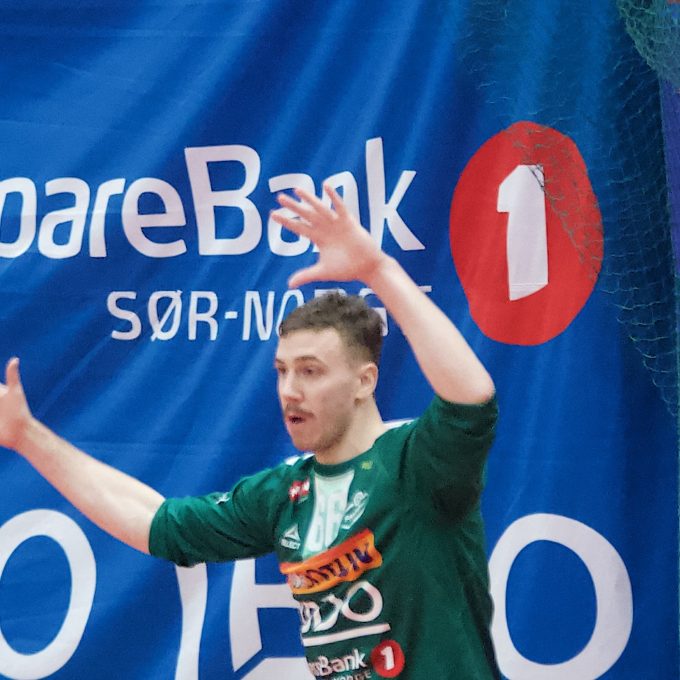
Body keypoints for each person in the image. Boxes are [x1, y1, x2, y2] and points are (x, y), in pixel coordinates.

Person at [0, 185, 499, 679]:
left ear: (364, 381)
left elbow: (471, 398)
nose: (289, 390)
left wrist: (377, 270)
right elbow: (155, 521)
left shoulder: (416, 464)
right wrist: (26, 435)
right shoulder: (285, 493)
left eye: (310, 371)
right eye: (282, 371)